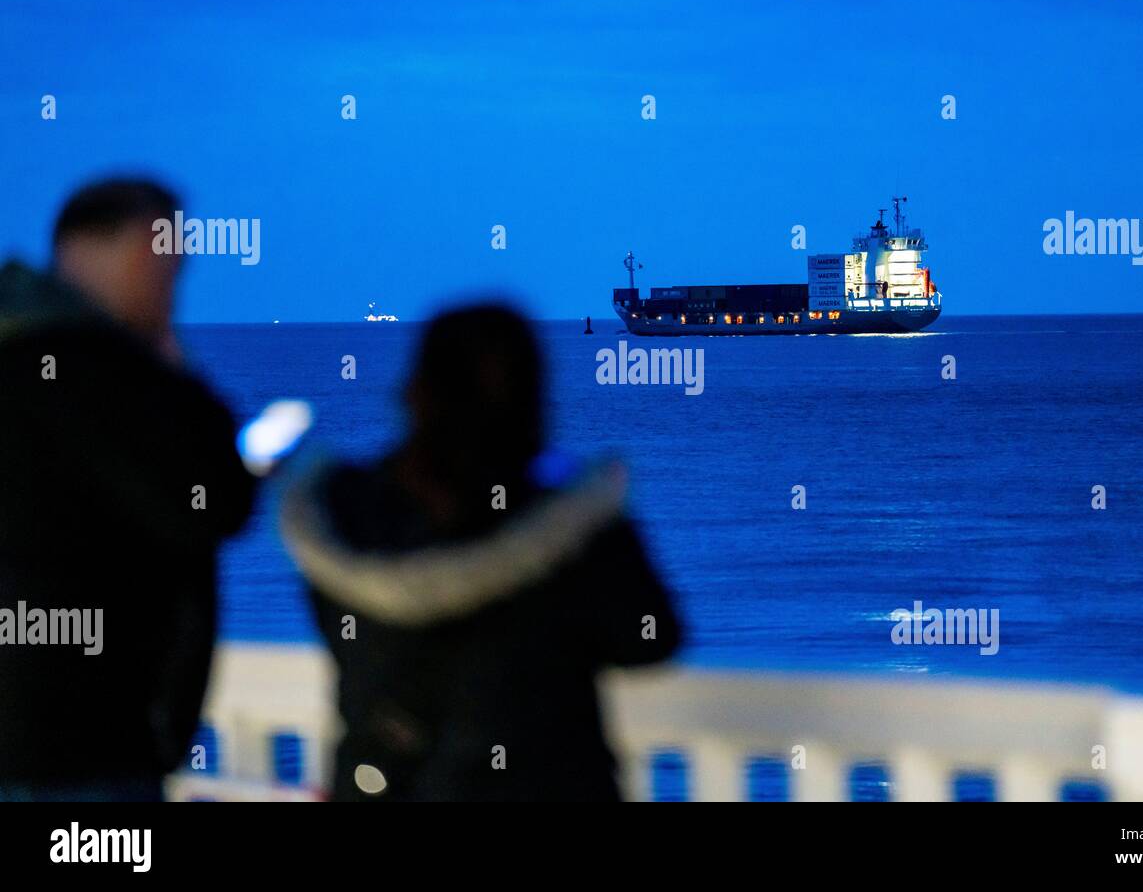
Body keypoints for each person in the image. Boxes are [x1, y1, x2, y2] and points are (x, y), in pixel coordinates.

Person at [281, 306, 681, 801]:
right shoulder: (569, 519)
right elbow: (651, 638)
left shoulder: (344, 514)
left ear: (418, 388)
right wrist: (594, 506)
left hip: (386, 784)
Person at [0, 178, 256, 801]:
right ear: (140, 250)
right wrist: (172, 366)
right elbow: (211, 500)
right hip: (77, 747)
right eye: (170, 259)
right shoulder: (100, 373)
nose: (177, 278)